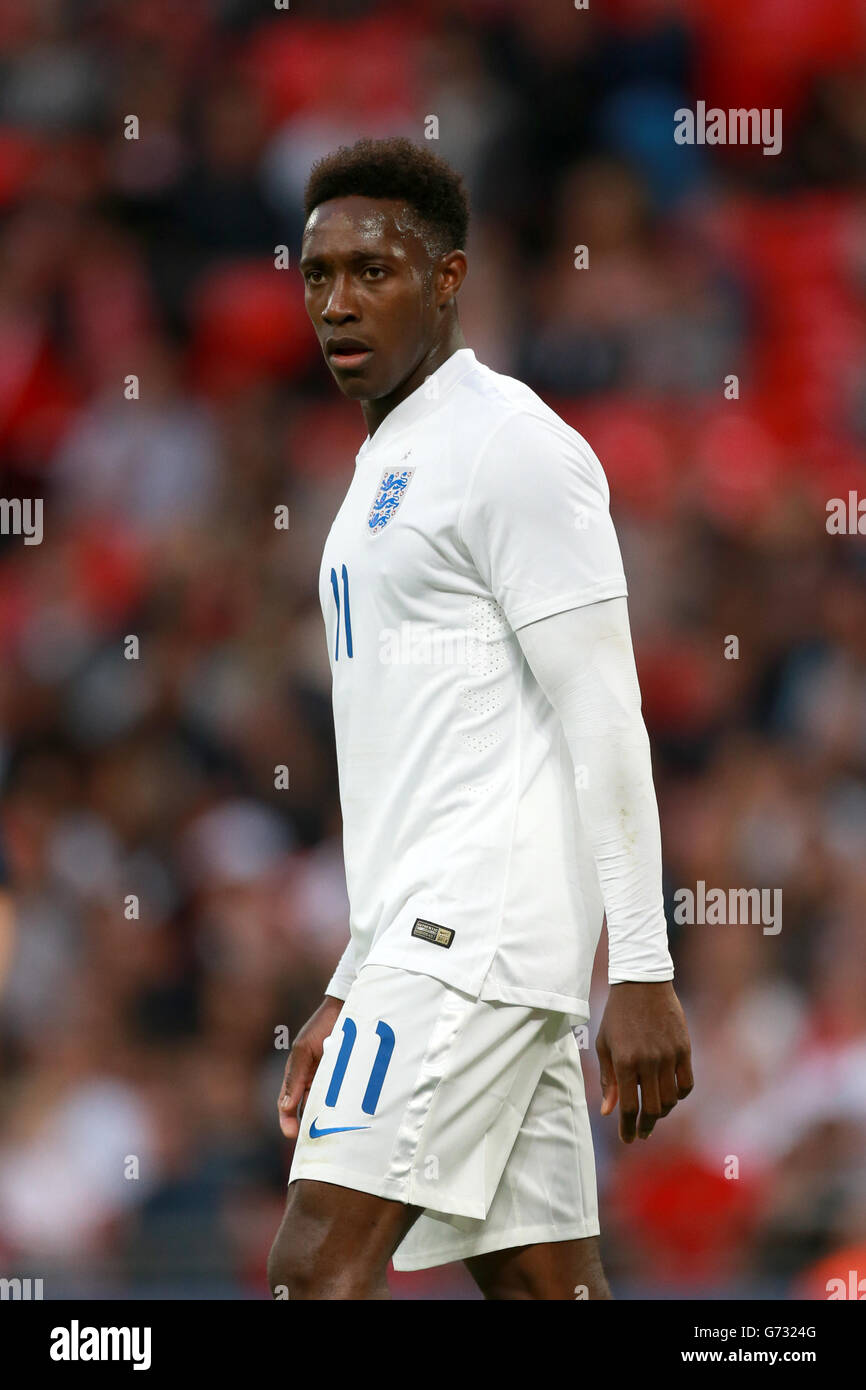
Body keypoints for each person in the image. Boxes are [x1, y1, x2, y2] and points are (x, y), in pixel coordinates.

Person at [267, 137, 693, 1301]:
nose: (338, 302)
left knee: (314, 1267)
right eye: (317, 276)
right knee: (545, 1290)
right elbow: (414, 764)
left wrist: (641, 970)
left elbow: (604, 713)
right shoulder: (372, 474)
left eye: (373, 271)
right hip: (441, 942)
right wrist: (354, 972)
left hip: (472, 943)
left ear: (447, 280)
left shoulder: (511, 446)